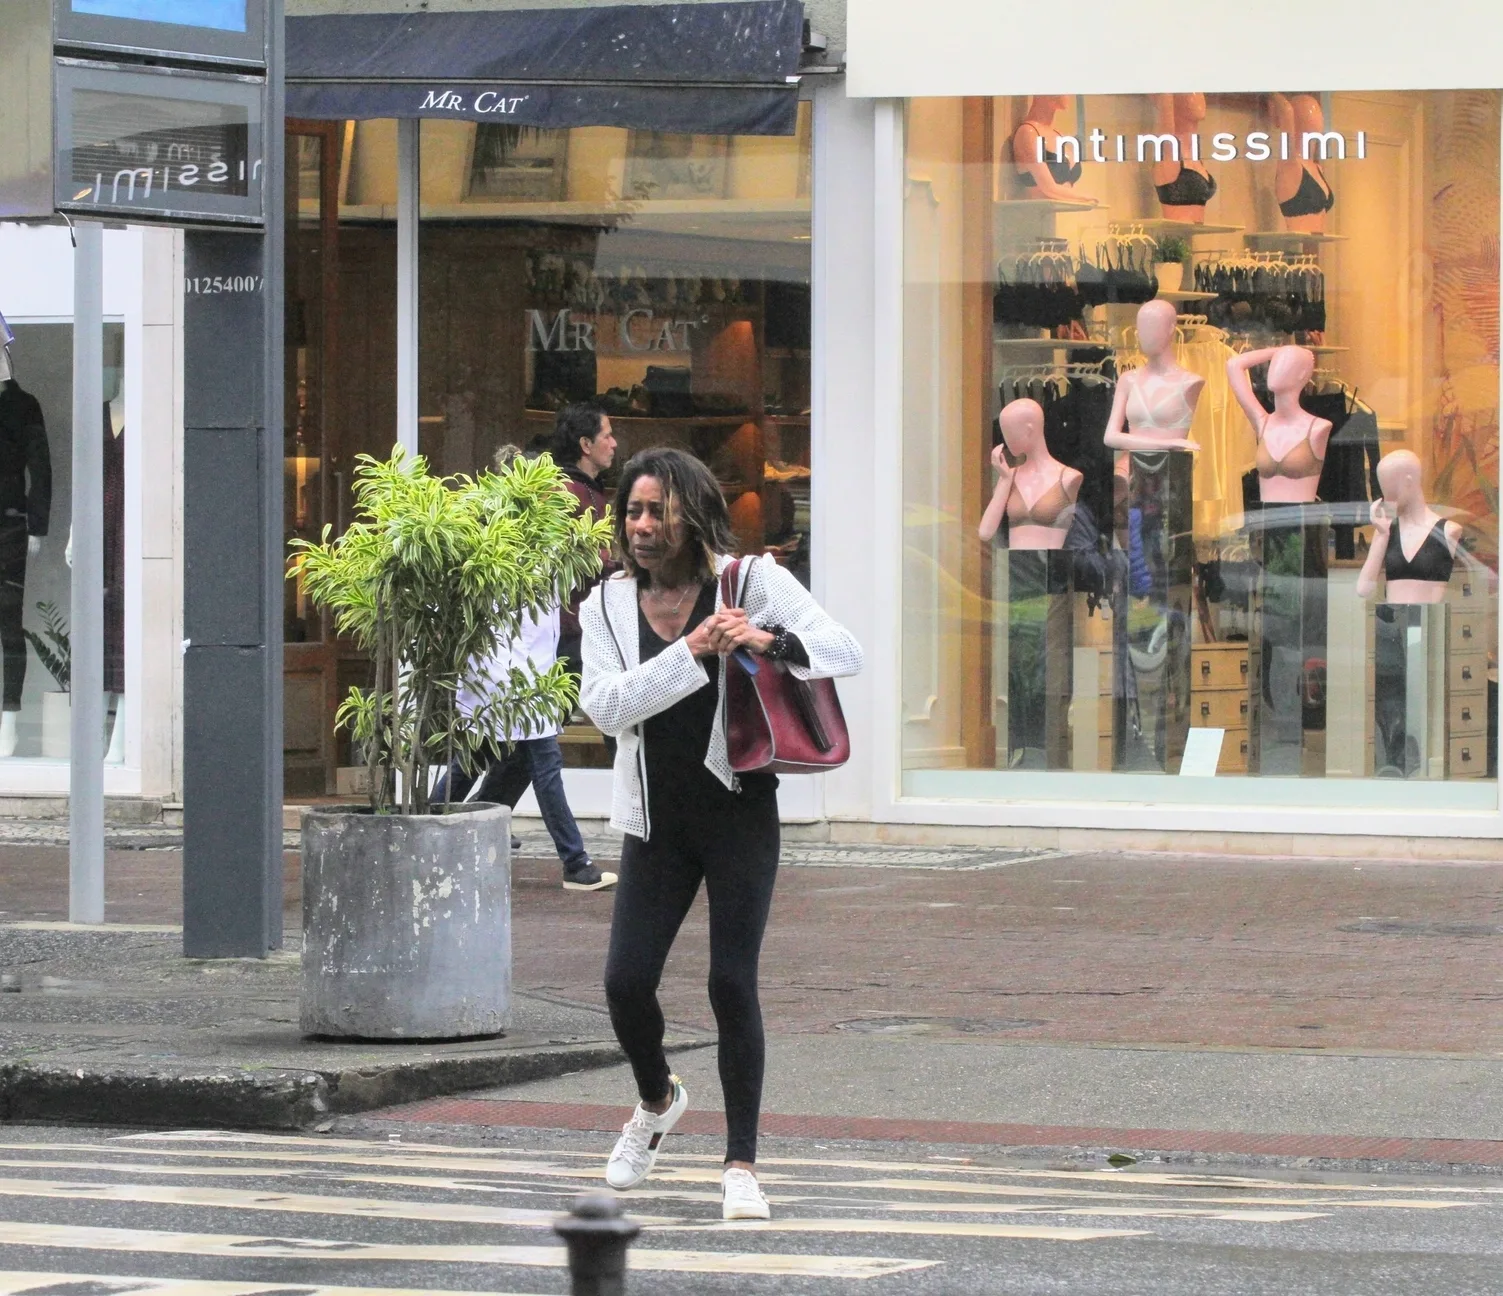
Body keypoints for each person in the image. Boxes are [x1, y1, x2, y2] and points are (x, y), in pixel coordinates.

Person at [578, 446, 863, 1220]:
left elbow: (846, 651)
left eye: (655, 512)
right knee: (624, 982)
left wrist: (766, 640)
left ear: (690, 514)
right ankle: (657, 1099)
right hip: (654, 820)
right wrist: (692, 651)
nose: (639, 526)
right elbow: (606, 708)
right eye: (631, 512)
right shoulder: (603, 605)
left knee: (730, 983)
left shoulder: (751, 581)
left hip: (737, 809)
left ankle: (741, 1164)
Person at [449, 444, 615, 893]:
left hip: (511, 670)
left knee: (475, 760)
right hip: (510, 670)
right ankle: (576, 863)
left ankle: (423, 826)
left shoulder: (510, 536)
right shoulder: (518, 540)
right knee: (539, 764)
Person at [551, 403, 618, 680]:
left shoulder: (585, 490)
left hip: (577, 623)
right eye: (607, 436)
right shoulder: (566, 492)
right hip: (571, 628)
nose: (614, 444)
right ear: (586, 444)